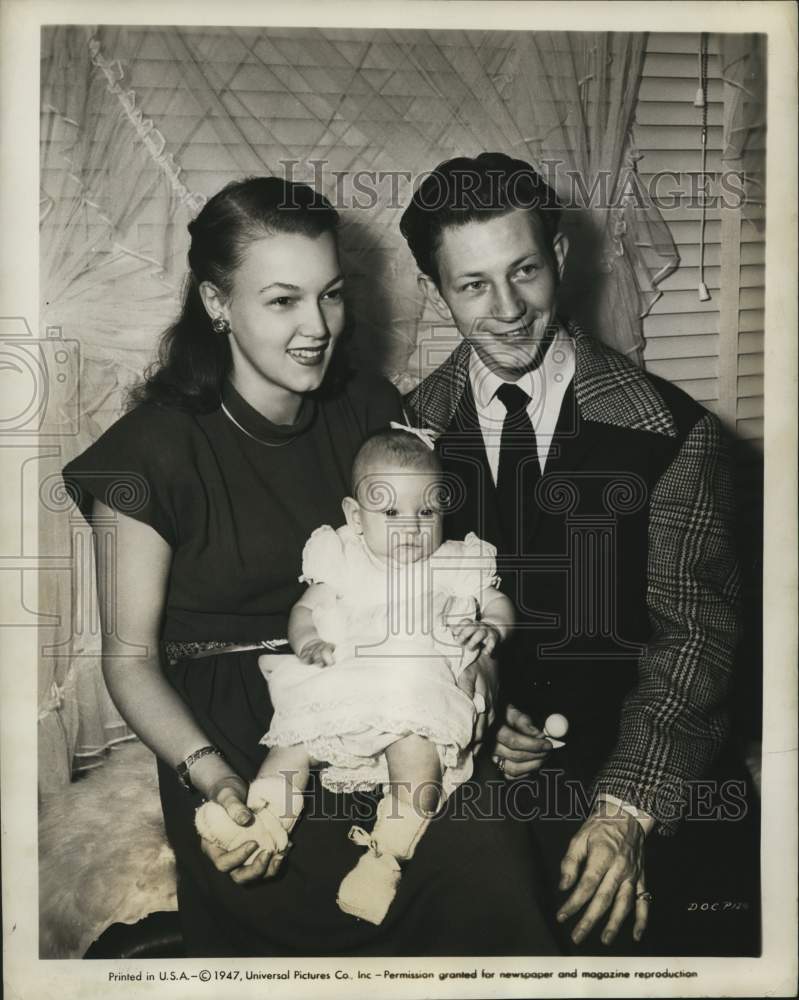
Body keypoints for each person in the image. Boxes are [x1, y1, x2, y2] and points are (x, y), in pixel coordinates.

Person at [62, 175, 557, 956]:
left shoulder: (365, 407)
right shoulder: (144, 457)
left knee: (489, 845)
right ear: (216, 304)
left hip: (379, 681)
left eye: (329, 296)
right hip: (233, 729)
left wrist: (479, 682)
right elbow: (128, 663)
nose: (317, 326)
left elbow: (436, 572)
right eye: (282, 300)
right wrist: (213, 777)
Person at [402, 153, 753, 954]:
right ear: (435, 292)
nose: (507, 309)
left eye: (523, 270)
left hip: (645, 768)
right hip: (474, 774)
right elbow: (401, 622)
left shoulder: (673, 431)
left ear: (559, 257)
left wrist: (625, 811)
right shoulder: (406, 437)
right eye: (472, 285)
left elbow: (696, 640)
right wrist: (476, 715)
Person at [196, 427, 514, 926]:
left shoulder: (456, 561)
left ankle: (386, 855)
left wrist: (490, 627)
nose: (411, 528)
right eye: (390, 514)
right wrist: (308, 642)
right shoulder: (342, 555)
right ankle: (264, 819)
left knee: (417, 750)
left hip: (414, 690)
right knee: (294, 740)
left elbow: (497, 603)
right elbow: (306, 610)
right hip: (341, 685)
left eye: (426, 512)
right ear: (353, 515)